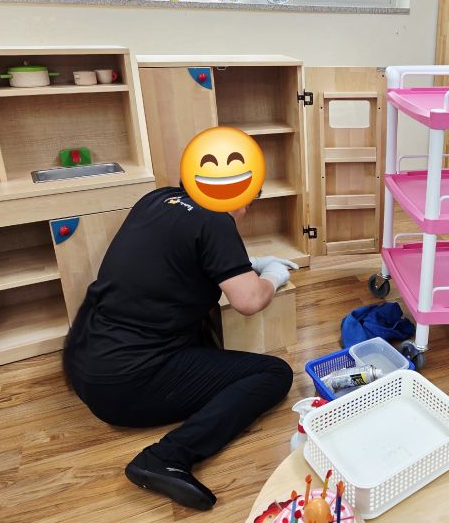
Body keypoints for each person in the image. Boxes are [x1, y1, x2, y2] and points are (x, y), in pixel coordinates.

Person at [62, 185, 295, 511]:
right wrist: (272, 276)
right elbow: (250, 300)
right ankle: (166, 457)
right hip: (123, 385)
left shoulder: (158, 199)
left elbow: (175, 259)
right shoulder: (217, 218)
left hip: (85, 362)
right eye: (248, 205)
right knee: (274, 373)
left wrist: (246, 264)